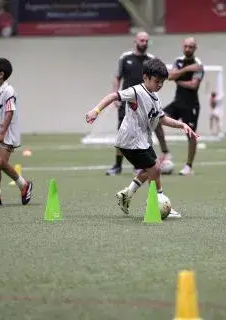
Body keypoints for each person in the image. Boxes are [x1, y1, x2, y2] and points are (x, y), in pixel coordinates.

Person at [86, 58, 198, 218]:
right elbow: (113, 96)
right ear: (145, 78)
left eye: (162, 82)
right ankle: (158, 201)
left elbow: (162, 118)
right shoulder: (136, 92)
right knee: (155, 169)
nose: (159, 85)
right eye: (157, 81)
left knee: (151, 168)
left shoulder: (155, 97)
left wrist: (182, 125)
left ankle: (127, 194)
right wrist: (95, 111)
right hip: (130, 141)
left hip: (142, 141)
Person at [106, 31, 170, 176]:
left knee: (153, 127)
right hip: (127, 100)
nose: (144, 43)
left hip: (147, 102)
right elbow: (117, 77)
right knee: (122, 131)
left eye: (146, 41)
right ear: (135, 41)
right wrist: (115, 96)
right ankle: (117, 165)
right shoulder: (125, 58)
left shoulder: (151, 60)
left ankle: (152, 159)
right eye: (141, 40)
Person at [0, 58, 33, 206]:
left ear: (1, 74)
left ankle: (24, 185)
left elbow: (9, 112)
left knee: (1, 163)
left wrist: (2, 133)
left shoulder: (9, 91)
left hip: (7, 132)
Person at [154, 37, 204, 176]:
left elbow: (194, 85)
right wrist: (186, 70)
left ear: (195, 48)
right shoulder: (179, 61)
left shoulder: (198, 64)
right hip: (177, 102)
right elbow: (170, 76)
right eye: (186, 46)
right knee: (156, 119)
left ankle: (188, 166)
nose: (188, 49)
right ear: (183, 47)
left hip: (191, 105)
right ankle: (165, 152)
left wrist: (178, 79)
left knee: (191, 135)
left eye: (191, 47)